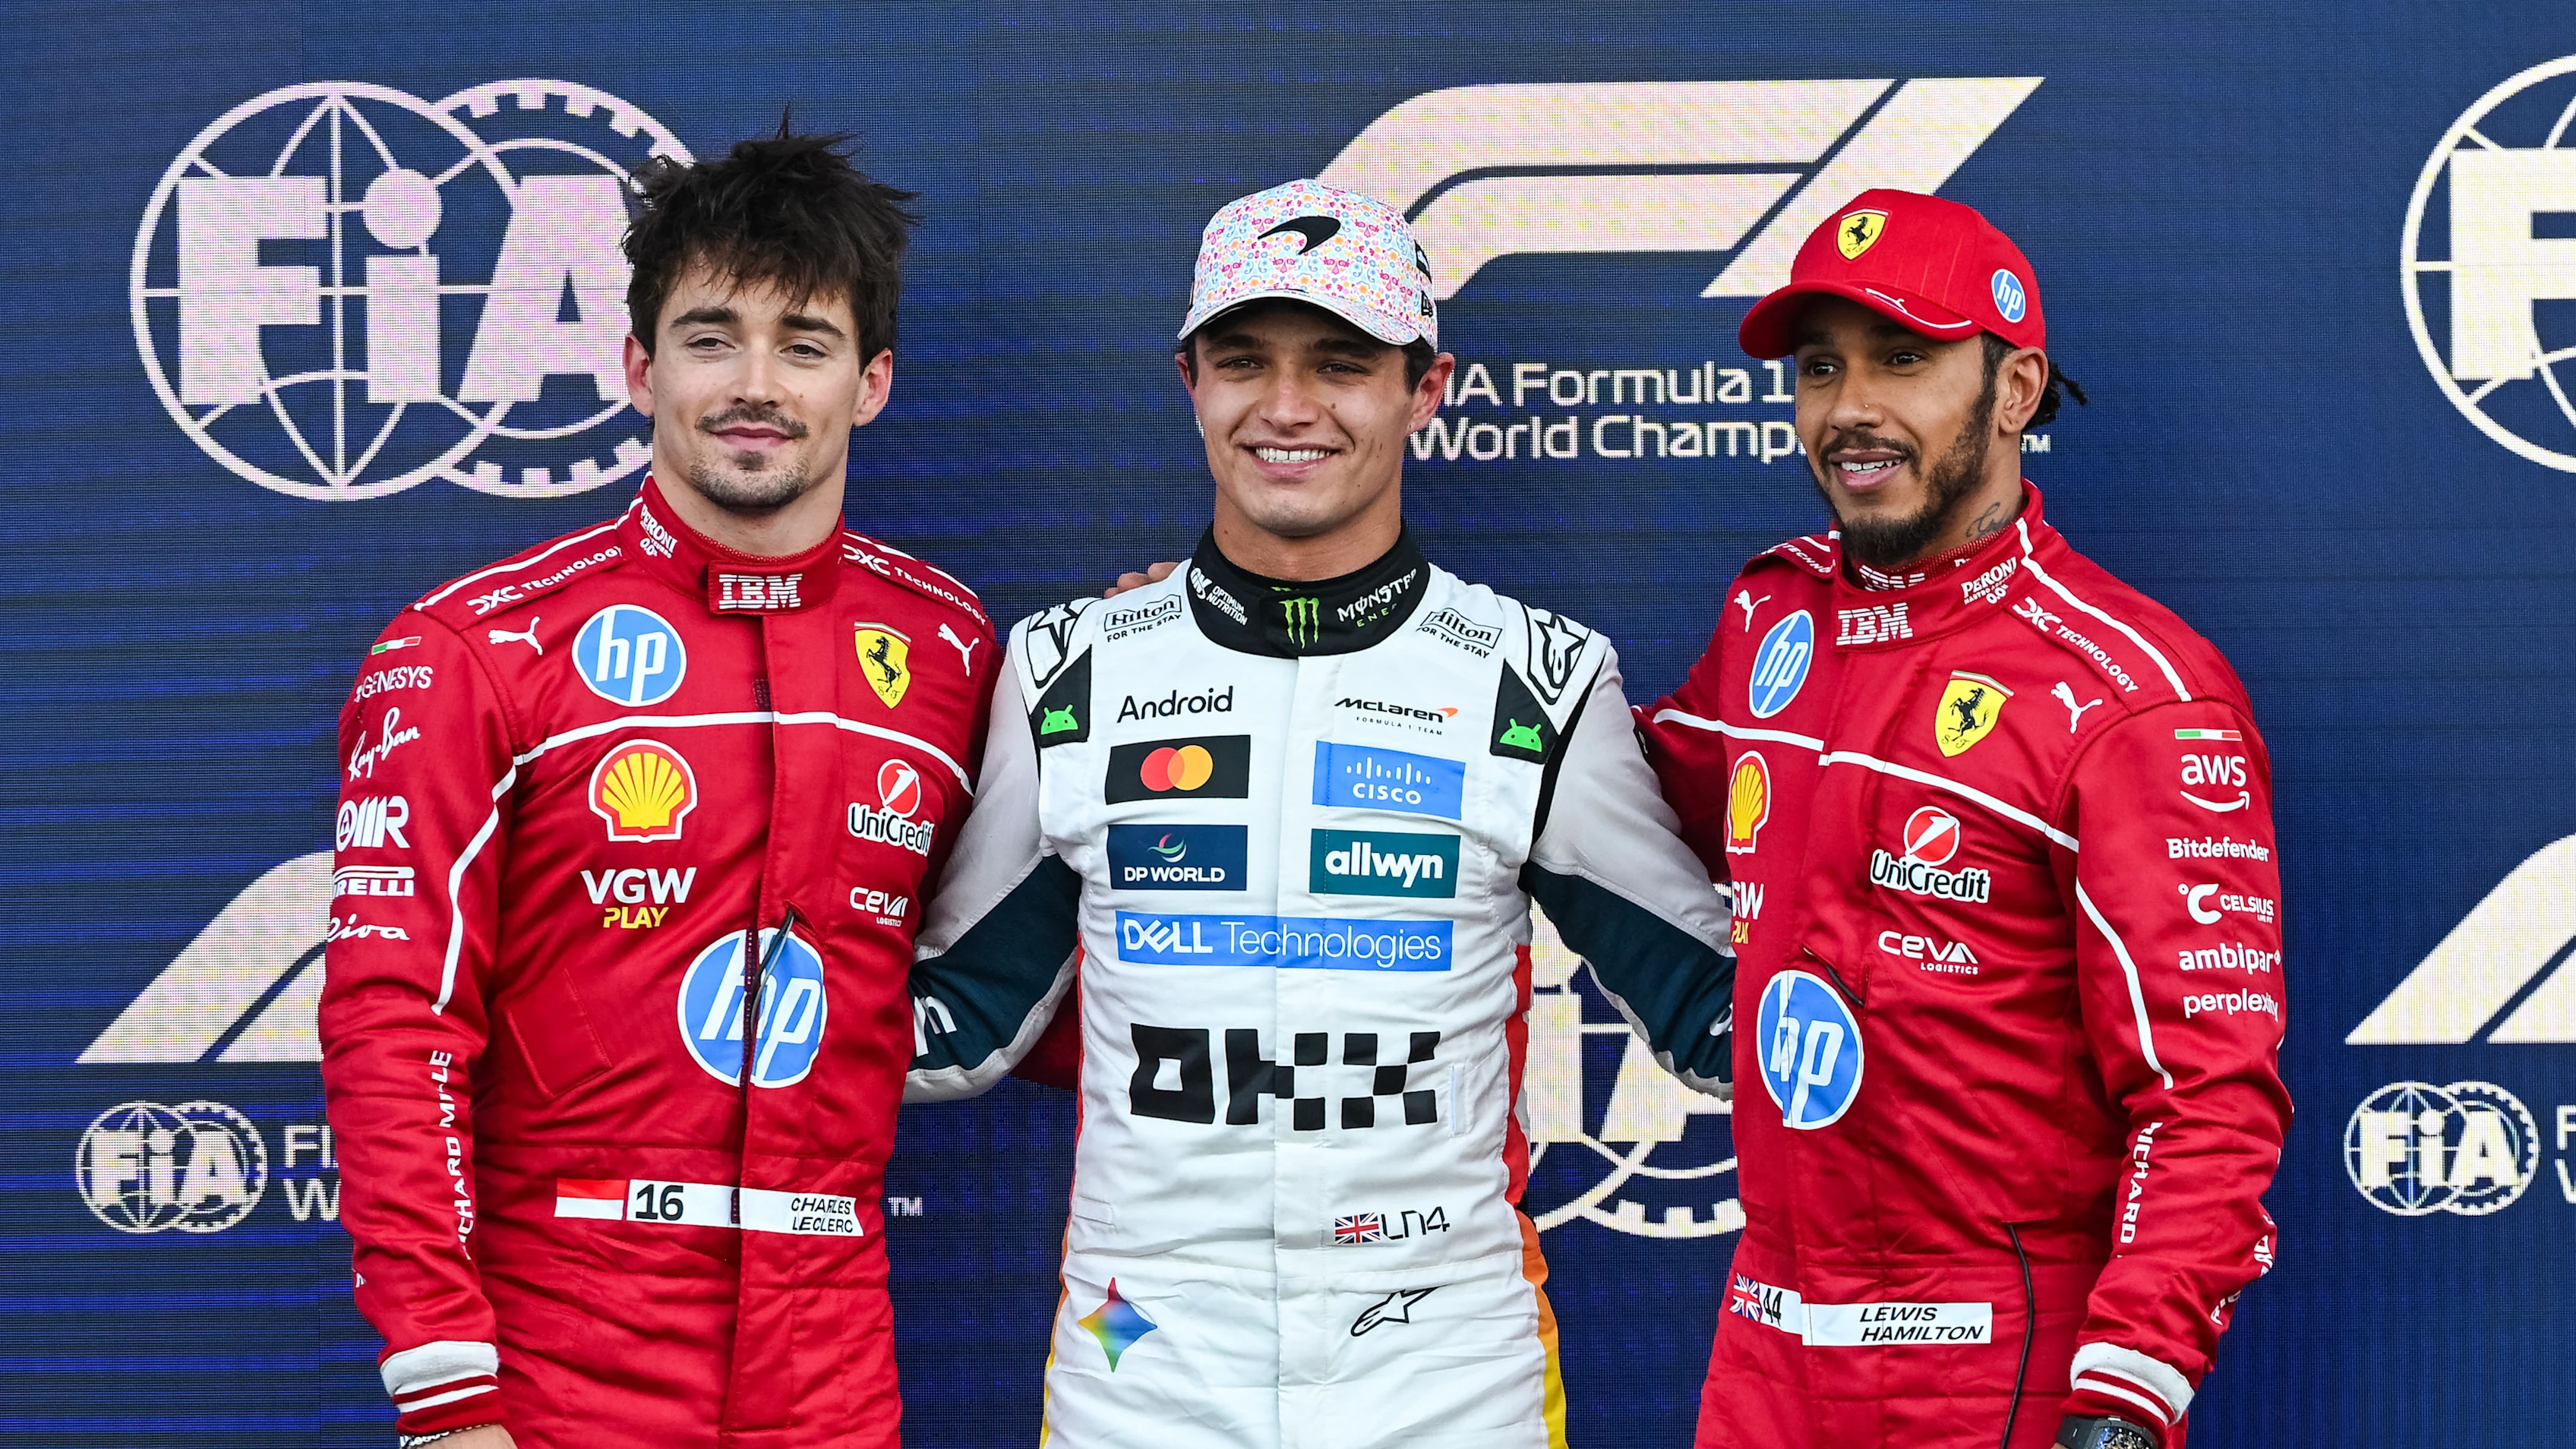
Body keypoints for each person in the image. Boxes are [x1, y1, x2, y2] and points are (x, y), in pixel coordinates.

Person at [901, 179, 1735, 1449]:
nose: (1287, 408)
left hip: (1449, 1375)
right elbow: (956, 1026)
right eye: (1245, 362)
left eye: (1341, 365)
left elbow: (1712, 1024)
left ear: (1426, 388)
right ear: (1191, 381)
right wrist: (666, 1004)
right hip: (1145, 1365)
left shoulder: (1538, 680)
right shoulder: (1073, 670)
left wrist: (1965, 985)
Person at [319, 131, 996, 1448]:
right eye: (710, 337)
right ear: (638, 367)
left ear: (872, 384)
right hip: (556, 1352)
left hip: (833, 1353)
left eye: (805, 344)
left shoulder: (958, 650)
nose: (756, 386)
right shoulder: (474, 648)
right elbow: (395, 1027)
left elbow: (1018, 969)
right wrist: (446, 1389)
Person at [1641, 189, 2290, 1449]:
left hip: (1998, 1365)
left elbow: (2206, 1097)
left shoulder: (2134, 696)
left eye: (1904, 360)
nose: (1851, 410)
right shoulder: (1772, 618)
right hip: (1764, 1352)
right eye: (1821, 368)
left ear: (2014, 388)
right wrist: (1285, 641)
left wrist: (2128, 1396)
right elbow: (1600, 789)